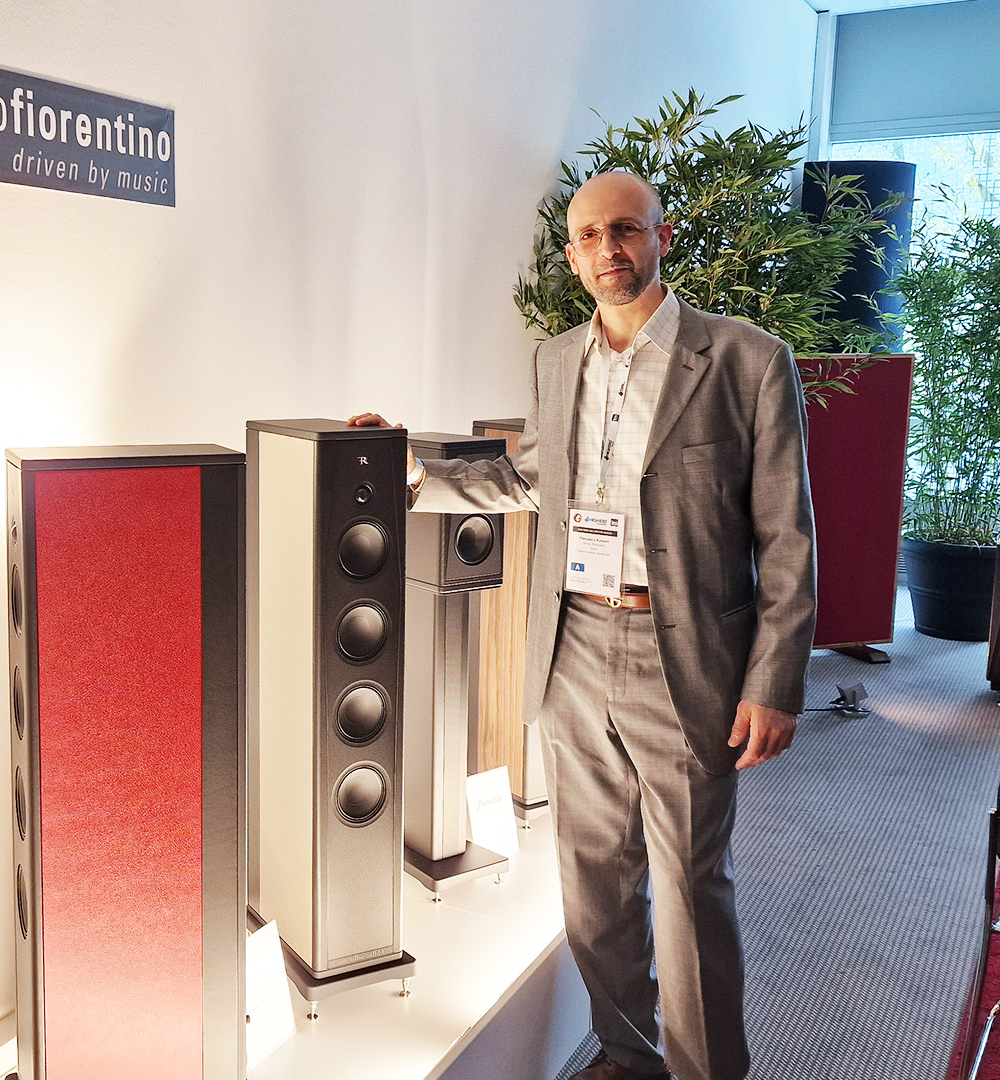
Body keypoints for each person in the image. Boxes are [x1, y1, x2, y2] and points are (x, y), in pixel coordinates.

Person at [349, 170, 815, 1080]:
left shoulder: (747, 359)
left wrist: (774, 680)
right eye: (592, 236)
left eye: (628, 230)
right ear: (572, 256)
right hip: (571, 645)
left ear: (662, 237)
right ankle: (628, 1054)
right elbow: (532, 482)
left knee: (689, 888)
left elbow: (786, 534)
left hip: (685, 654)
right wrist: (413, 470)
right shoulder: (557, 359)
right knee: (593, 886)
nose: (611, 249)